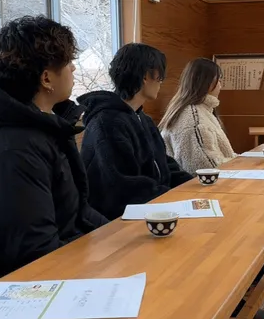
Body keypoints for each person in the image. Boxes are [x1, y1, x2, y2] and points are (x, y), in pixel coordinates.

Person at [0, 16, 108, 300]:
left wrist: (121, 235)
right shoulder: (9, 152)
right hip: (15, 299)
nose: (73, 68)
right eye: (68, 62)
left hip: (58, 269)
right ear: (46, 78)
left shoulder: (42, 128)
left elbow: (78, 212)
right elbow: (33, 259)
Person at [79, 43, 193, 220]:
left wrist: (193, 187)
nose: (161, 82)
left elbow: (165, 165)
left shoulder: (142, 119)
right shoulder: (107, 123)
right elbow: (124, 187)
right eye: (160, 77)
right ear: (146, 76)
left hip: (153, 208)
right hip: (121, 220)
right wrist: (174, 199)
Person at [159, 58, 236, 172]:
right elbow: (204, 167)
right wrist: (241, 165)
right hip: (195, 182)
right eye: (219, 80)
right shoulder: (193, 119)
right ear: (207, 83)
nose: (220, 86)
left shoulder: (202, 111)